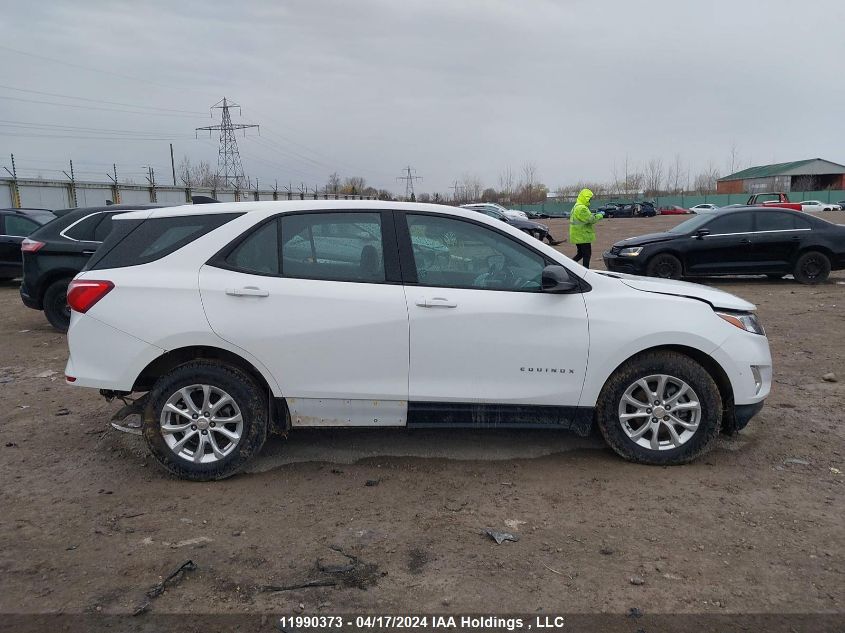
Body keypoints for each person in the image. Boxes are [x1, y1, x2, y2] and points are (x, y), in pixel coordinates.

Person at [568, 188, 603, 268]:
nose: (590, 200)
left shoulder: (576, 206)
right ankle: (585, 270)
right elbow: (591, 220)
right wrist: (600, 215)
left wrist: (594, 214)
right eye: (589, 198)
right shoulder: (582, 208)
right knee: (587, 254)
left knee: (580, 254)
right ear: (585, 198)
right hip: (582, 235)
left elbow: (585, 217)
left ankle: (569, 266)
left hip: (578, 235)